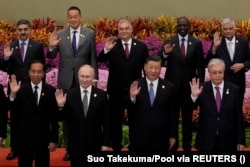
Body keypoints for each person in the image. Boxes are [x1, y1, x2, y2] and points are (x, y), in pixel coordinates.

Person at [47, 6, 98, 160]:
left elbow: (93, 57)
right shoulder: (60, 34)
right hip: (66, 81)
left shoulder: (89, 34)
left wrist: (94, 79)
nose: (73, 19)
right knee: (68, 117)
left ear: (80, 17)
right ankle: (70, 148)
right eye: (70, 17)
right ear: (67, 18)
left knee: (86, 114)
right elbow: (51, 56)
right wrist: (51, 46)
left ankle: (87, 147)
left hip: (84, 80)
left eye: (76, 16)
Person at [97, 18, 149, 151]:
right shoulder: (113, 45)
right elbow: (100, 60)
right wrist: (106, 49)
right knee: (115, 121)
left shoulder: (141, 46)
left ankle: (134, 147)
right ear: (118, 31)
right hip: (115, 90)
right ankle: (116, 147)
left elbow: (146, 68)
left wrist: (146, 87)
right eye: (121, 29)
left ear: (132, 30)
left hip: (134, 90)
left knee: (135, 120)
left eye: (127, 28)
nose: (124, 31)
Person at [0, 19, 45, 160]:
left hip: (33, 87)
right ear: (16, 31)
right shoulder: (11, 46)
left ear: (30, 30)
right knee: (15, 118)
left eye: (25, 29)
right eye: (20, 29)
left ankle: (32, 148)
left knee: (32, 118)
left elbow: (42, 66)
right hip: (15, 88)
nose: (23, 32)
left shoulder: (37, 46)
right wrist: (6, 58)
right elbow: (3, 67)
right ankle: (15, 148)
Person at [158, 16, 205, 151]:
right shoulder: (170, 42)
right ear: (176, 27)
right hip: (172, 87)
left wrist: (200, 84)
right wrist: (165, 54)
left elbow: (201, 66)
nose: (183, 28)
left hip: (189, 88)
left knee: (187, 118)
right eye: (180, 25)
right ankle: (172, 147)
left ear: (189, 27)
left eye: (185, 25)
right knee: (171, 117)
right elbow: (158, 60)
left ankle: (187, 147)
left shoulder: (196, 43)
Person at [55, 64, 111, 166]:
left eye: (87, 77)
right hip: (75, 146)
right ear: (78, 76)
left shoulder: (101, 95)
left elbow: (106, 121)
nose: (84, 80)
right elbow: (61, 118)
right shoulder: (70, 94)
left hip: (95, 145)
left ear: (93, 77)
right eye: (82, 76)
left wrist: (106, 143)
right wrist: (60, 106)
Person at [8, 60, 58, 167]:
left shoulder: (51, 91)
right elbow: (14, 113)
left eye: (39, 72)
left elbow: (54, 118)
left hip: (43, 140)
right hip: (24, 140)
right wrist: (12, 94)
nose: (36, 74)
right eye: (33, 71)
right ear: (29, 72)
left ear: (43, 73)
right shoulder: (20, 90)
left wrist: (54, 139)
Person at [189, 58, 245, 151]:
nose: (218, 75)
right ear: (209, 73)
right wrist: (194, 96)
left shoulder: (234, 89)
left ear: (224, 72)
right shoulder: (201, 88)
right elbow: (190, 108)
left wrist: (241, 141)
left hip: (229, 140)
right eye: (214, 72)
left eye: (220, 72)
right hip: (206, 140)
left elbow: (239, 116)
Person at [126, 55, 177, 152]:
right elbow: (129, 109)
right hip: (139, 137)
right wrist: (132, 97)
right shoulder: (135, 84)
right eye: (150, 67)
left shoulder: (169, 87)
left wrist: (173, 135)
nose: (153, 71)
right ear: (145, 67)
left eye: (157, 68)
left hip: (161, 137)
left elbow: (173, 113)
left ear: (161, 69)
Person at [206, 17, 250, 108]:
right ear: (222, 30)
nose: (228, 31)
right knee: (223, 109)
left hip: (238, 83)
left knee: (237, 110)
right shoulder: (218, 43)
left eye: (230, 29)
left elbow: (249, 60)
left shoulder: (243, 42)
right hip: (222, 83)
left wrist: (243, 65)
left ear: (234, 29)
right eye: (225, 29)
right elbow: (208, 61)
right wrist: (214, 47)